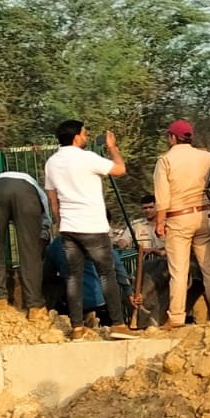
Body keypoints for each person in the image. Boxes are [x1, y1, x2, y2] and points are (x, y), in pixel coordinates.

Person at [43, 119, 131, 338]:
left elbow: (53, 200)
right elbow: (120, 169)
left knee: (73, 277)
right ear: (76, 137)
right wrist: (112, 147)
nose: (87, 136)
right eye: (85, 133)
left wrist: (62, 222)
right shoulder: (87, 158)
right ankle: (118, 324)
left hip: (69, 228)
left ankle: (77, 327)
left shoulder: (51, 163)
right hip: (92, 226)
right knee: (106, 274)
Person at [153, 119, 210, 329]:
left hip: (178, 217)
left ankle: (176, 317)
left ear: (173, 138)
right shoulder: (205, 156)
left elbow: (162, 198)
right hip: (203, 216)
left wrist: (159, 223)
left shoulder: (165, 160)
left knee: (179, 270)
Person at [0, 170, 52, 321]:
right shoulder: (36, 189)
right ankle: (35, 307)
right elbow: (45, 219)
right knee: (29, 253)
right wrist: (42, 239)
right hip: (25, 195)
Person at [45, 235, 134, 337]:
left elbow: (47, 275)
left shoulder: (57, 244)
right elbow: (118, 269)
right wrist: (129, 291)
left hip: (74, 309)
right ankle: (117, 326)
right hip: (102, 304)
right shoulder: (97, 237)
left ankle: (78, 328)